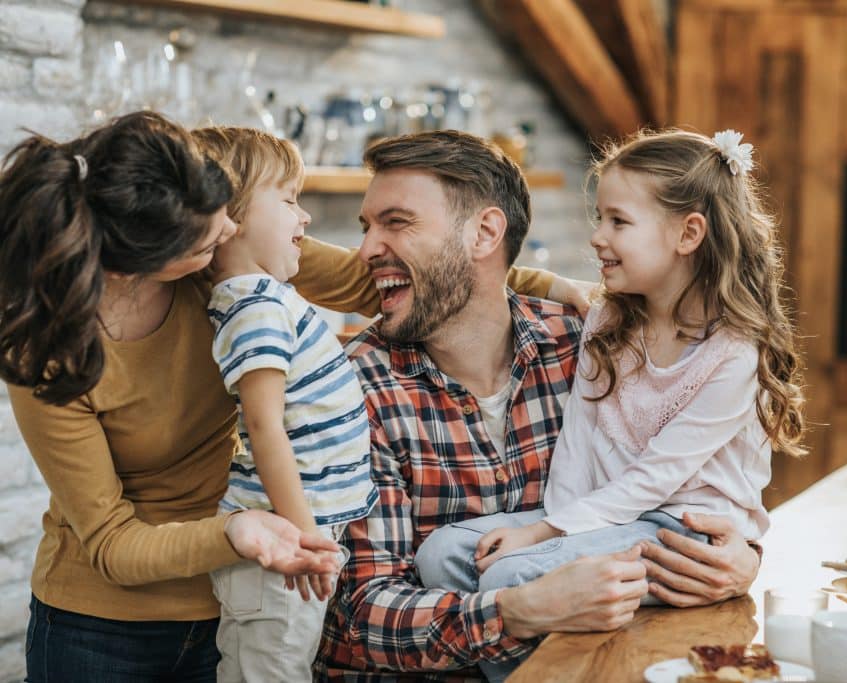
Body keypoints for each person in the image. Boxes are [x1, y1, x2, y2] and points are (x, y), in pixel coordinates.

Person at [0, 113, 572, 682]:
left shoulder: (217, 264)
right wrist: (243, 533)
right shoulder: (47, 354)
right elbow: (110, 543)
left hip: (236, 600)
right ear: (147, 259)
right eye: (212, 232)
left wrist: (561, 289)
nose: (228, 230)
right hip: (102, 627)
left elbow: (411, 275)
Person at [314, 129, 766, 682]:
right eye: (367, 227)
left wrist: (741, 558)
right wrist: (518, 612)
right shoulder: (351, 386)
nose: (365, 250)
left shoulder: (580, 338)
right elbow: (358, 616)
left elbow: (699, 481)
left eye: (397, 222)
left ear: (485, 232)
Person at [192, 126, 378, 682]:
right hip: (282, 550)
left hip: (290, 542)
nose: (305, 218)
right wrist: (305, 538)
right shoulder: (253, 307)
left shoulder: (265, 295)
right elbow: (263, 425)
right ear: (231, 214)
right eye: (290, 199)